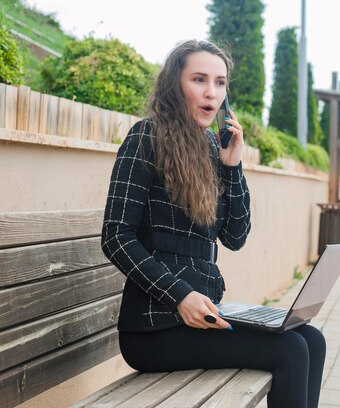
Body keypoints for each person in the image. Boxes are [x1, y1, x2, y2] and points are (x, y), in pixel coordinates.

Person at [101, 40, 326, 408]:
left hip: (203, 317)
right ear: (175, 84)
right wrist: (180, 296)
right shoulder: (147, 136)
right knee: (289, 350)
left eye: (220, 83)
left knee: (311, 340)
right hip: (154, 327)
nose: (212, 93)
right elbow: (115, 237)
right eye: (200, 80)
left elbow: (236, 236)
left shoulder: (211, 147)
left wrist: (233, 166)